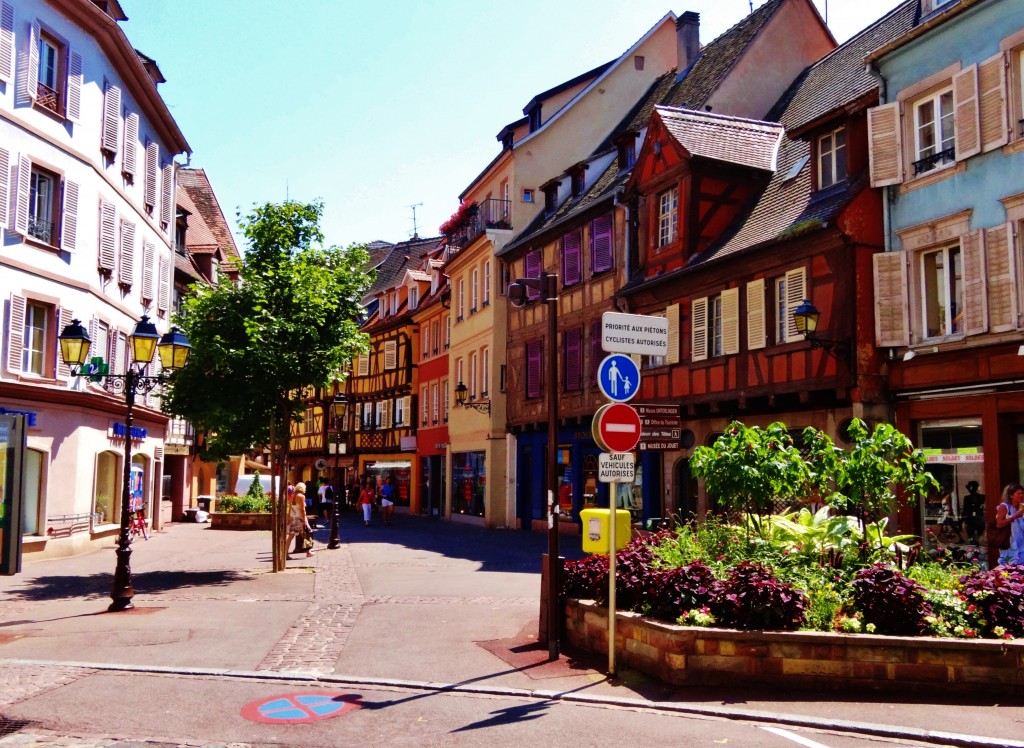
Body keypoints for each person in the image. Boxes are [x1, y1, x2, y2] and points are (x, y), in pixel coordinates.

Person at [995, 483, 1024, 565]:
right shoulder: (1004, 506)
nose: (1021, 495)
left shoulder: (1021, 507)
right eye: (1019, 493)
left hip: (1021, 544)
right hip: (1010, 545)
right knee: (1010, 569)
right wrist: (1015, 516)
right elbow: (999, 524)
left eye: (1022, 493)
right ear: (1011, 495)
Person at [286, 481, 313, 559]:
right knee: (307, 533)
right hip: (299, 519)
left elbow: (290, 509)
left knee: (291, 536)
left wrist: (288, 518)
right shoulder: (301, 496)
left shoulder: (292, 496)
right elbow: (302, 509)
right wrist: (305, 520)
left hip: (292, 518)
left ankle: (285, 553)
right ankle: (308, 552)